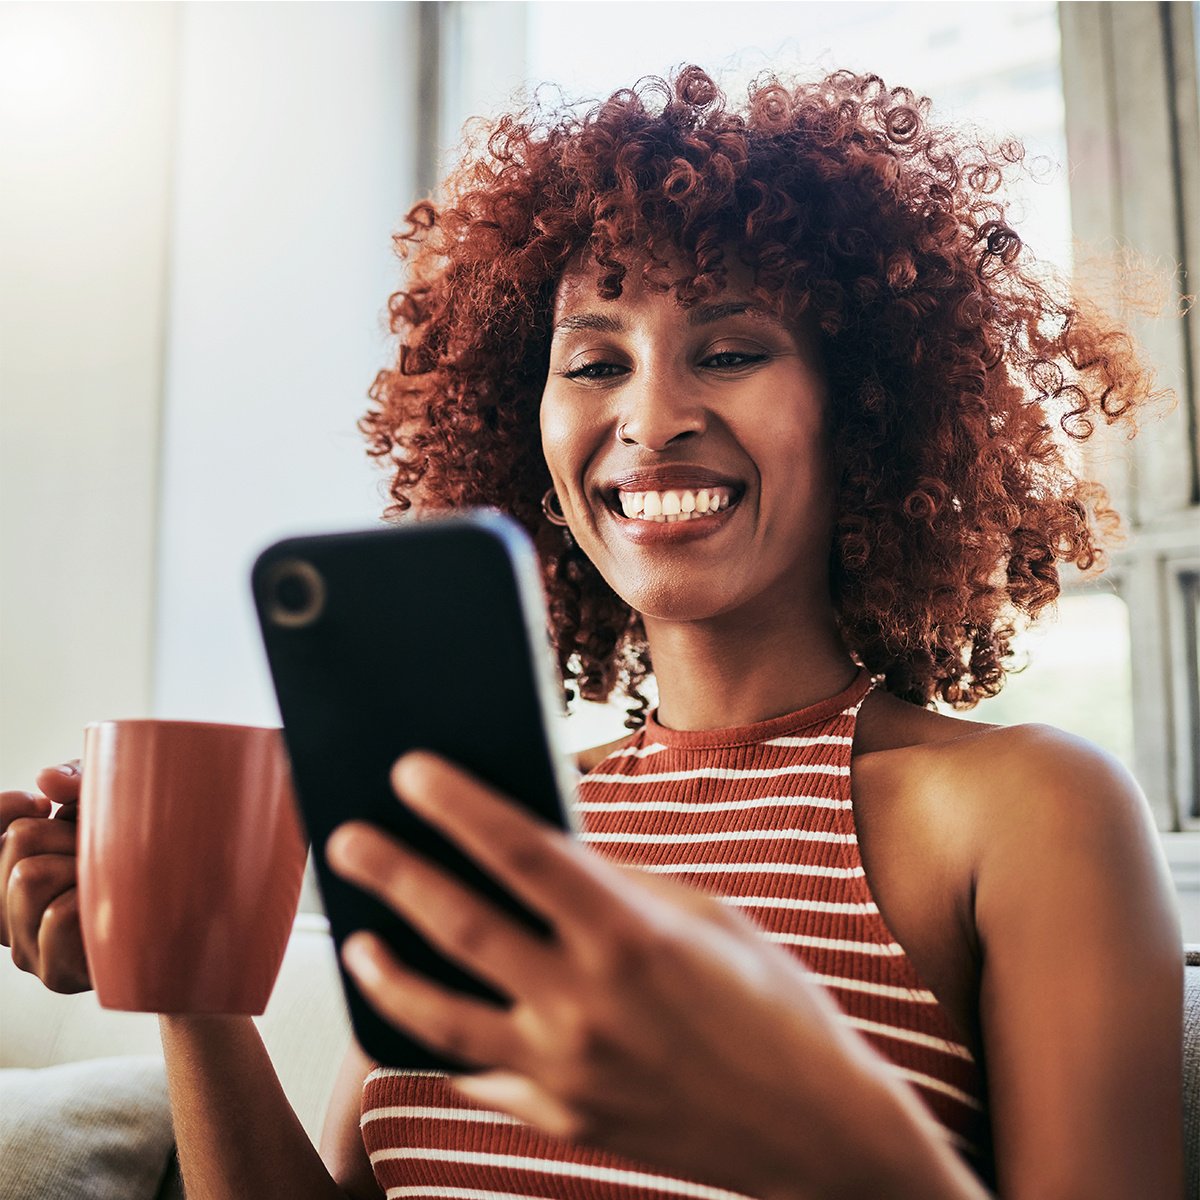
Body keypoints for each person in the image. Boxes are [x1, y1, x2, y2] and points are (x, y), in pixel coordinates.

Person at [0, 66, 1184, 1199]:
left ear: (865, 407)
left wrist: (819, 1125)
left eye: (730, 352)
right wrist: (191, 982)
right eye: (594, 362)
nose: (653, 418)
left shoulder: (1028, 811)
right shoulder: (483, 822)